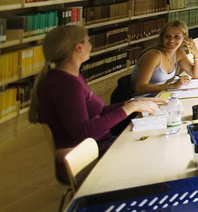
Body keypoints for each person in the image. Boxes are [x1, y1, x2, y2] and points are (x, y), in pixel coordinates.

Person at [31, 24, 158, 157]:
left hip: (99, 145)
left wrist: (130, 104)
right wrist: (129, 108)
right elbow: (82, 131)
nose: (90, 46)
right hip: (88, 154)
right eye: (88, 41)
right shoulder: (66, 84)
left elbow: (95, 113)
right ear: (79, 47)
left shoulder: (72, 77)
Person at [132, 21, 198, 95]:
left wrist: (196, 55)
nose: (171, 40)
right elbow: (139, 88)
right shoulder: (155, 55)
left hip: (159, 95)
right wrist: (171, 86)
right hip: (143, 99)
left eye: (176, 36)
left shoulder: (178, 53)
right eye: (167, 36)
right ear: (162, 38)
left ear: (184, 38)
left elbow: (197, 75)